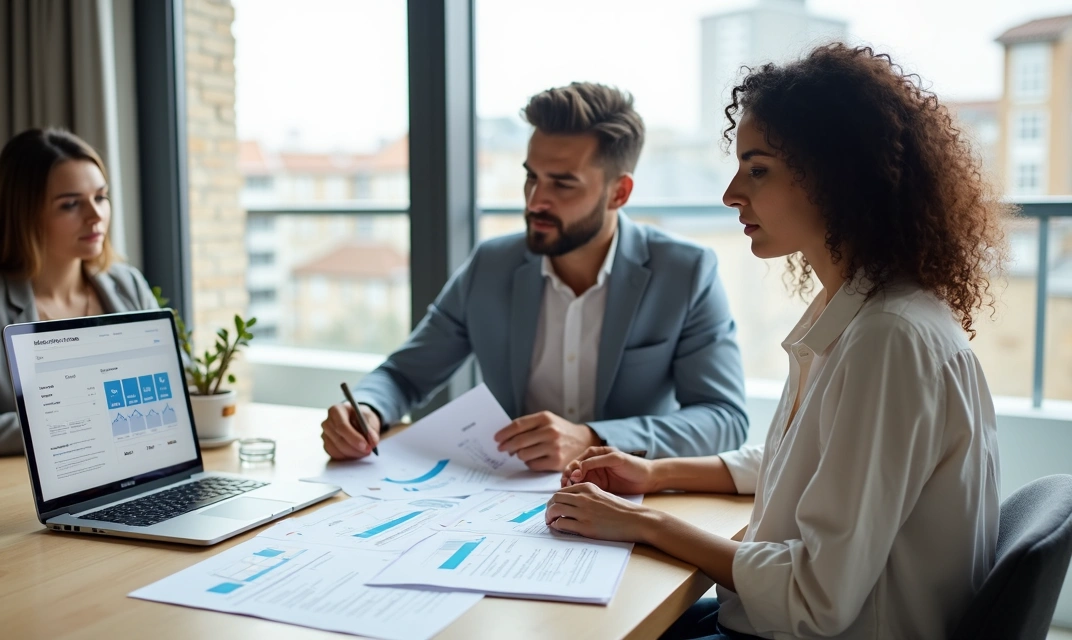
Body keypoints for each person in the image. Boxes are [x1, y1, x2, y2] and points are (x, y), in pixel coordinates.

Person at [545, 44, 1008, 639]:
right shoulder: (864, 309)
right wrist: (655, 473)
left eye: (758, 169)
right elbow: (806, 461)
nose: (732, 192)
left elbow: (813, 599)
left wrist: (646, 523)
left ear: (841, 177)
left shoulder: (889, 340)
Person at [319, 82, 749, 471]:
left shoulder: (685, 272)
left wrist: (594, 439)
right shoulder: (490, 265)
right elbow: (404, 375)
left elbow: (723, 418)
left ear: (618, 192)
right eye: (531, 177)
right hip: (500, 502)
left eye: (563, 184)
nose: (536, 201)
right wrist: (367, 409)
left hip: (629, 503)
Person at [0, 128, 159, 466]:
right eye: (70, 204)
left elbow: (184, 390)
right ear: (25, 215)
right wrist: (63, 426)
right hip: (14, 495)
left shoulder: (127, 286)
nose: (96, 216)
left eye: (101, 197)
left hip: (129, 469)